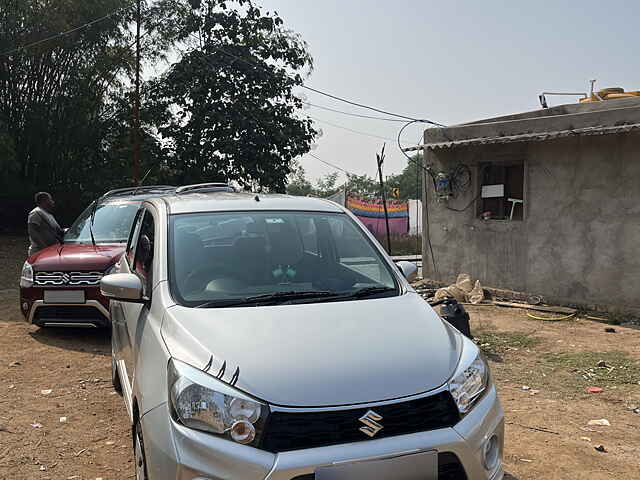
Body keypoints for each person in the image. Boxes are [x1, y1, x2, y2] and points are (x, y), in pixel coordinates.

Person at [27, 192, 64, 257]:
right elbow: (32, 232)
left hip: (50, 251)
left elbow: (59, 231)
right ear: (44, 201)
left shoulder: (49, 215)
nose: (53, 202)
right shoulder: (36, 213)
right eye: (50, 199)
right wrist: (44, 249)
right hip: (39, 252)